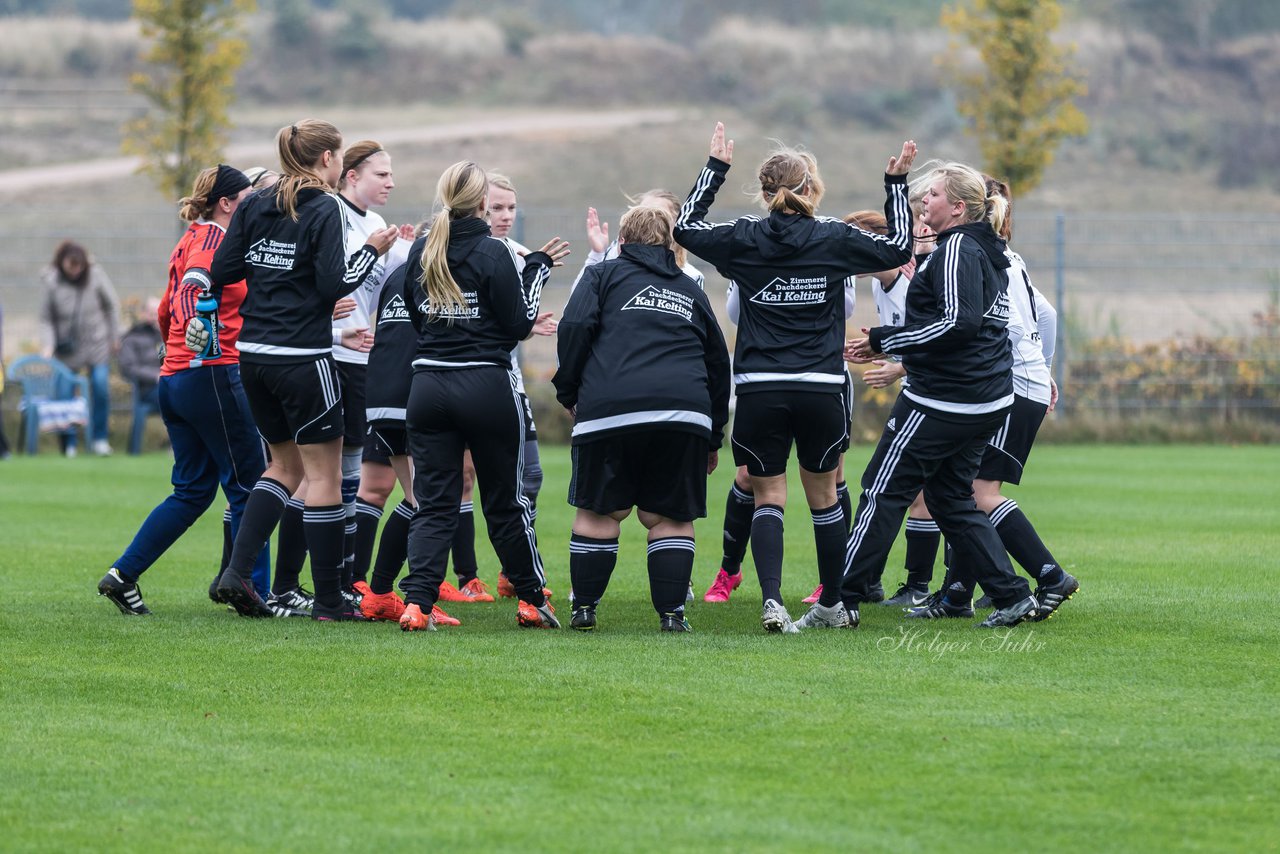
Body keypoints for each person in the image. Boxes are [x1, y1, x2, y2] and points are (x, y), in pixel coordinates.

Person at [673, 121, 915, 634]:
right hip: (822, 389)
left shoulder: (744, 235)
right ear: (810, 188)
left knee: (768, 496)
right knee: (825, 496)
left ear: (764, 194)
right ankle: (835, 604)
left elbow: (684, 230)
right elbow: (897, 248)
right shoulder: (832, 234)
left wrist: (714, 169)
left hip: (761, 388)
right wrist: (895, 184)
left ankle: (772, 602)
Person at [816, 160, 1041, 632]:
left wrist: (886, 339)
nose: (925, 200)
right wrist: (895, 186)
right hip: (981, 398)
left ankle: (841, 601)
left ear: (957, 208)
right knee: (951, 499)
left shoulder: (958, 247)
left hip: (946, 399)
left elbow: (959, 324)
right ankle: (1012, 594)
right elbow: (961, 320)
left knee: (881, 490)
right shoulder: (979, 244)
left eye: (933, 194)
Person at [203, 118, 398, 621]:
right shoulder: (326, 206)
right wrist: (371, 252)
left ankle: (237, 573)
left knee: (282, 468)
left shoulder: (254, 203)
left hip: (253, 357)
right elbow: (337, 283)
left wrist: (272, 272)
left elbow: (224, 272)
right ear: (328, 160)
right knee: (324, 476)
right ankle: (330, 601)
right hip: (303, 360)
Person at [395, 160, 569, 632]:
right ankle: (531, 599)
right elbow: (517, 326)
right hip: (486, 386)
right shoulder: (493, 252)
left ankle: (417, 604)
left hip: (427, 386)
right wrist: (538, 270)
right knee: (505, 501)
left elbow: (416, 317)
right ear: (479, 203)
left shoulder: (422, 250)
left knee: (434, 502)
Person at [97, 164, 274, 615]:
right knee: (252, 485)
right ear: (227, 203)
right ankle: (254, 590)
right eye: (249, 196)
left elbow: (163, 309)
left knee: (192, 492)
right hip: (212, 373)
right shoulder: (215, 239)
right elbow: (192, 289)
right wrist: (200, 325)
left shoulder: (188, 238)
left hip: (176, 377)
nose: (254, 202)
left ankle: (123, 574)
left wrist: (175, 340)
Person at [907, 174, 1079, 621]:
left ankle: (1050, 576)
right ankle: (958, 594)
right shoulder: (1004, 254)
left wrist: (1035, 367)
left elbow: (979, 323)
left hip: (1011, 383)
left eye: (937, 194)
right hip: (1023, 380)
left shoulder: (975, 253)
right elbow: (1046, 313)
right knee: (963, 490)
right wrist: (1044, 363)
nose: (928, 201)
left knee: (978, 492)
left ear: (968, 207)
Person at [554, 204, 730, 631]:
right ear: (672, 244)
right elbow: (717, 362)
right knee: (670, 516)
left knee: (599, 511)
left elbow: (574, 328)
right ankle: (672, 615)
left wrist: (569, 392)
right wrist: (712, 435)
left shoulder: (601, 275)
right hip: (683, 415)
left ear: (623, 241)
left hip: (608, 411)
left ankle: (585, 609)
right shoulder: (691, 289)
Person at [484, 172, 557, 602]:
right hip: (470, 379)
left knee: (530, 475)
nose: (506, 216)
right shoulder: (470, 249)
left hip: (506, 379)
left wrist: (529, 325)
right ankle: (439, 581)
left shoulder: (518, 253)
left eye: (512, 208)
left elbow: (513, 323)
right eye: (496, 208)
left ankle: (515, 573)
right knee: (449, 484)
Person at [39, 240, 120, 456]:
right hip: (67, 350)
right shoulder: (52, 282)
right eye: (70, 266)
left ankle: (100, 439)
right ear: (62, 264)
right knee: (65, 393)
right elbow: (46, 319)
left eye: (78, 266)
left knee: (100, 386)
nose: (74, 271)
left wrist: (115, 337)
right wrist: (48, 345)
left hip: (97, 343)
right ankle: (70, 444)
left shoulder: (96, 276)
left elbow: (111, 306)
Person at [116, 296, 163, 455]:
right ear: (143, 313)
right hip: (145, 390)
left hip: (166, 385)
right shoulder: (132, 338)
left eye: (158, 313)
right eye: (151, 313)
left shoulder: (165, 336)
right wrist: (154, 376)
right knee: (176, 395)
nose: (154, 317)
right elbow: (128, 367)